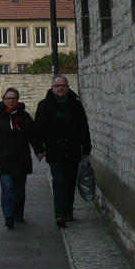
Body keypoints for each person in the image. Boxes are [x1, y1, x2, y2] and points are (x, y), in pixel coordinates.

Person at [33, 75, 92, 228]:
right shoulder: (44, 105)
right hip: (54, 151)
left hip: (73, 149)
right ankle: (60, 214)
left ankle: (68, 211)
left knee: (70, 182)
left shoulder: (75, 104)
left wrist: (86, 147)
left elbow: (83, 127)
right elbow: (37, 129)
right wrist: (39, 149)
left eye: (63, 86)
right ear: (52, 88)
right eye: (57, 86)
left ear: (67, 87)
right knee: (59, 182)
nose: (60, 88)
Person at [0, 87, 41, 230]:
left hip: (21, 159)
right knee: (8, 187)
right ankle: (8, 216)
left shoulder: (24, 117)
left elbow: (33, 136)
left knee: (20, 189)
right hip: (2, 160)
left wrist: (39, 150)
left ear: (17, 99)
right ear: (3, 100)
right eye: (8, 98)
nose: (11, 101)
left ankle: (18, 214)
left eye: (13, 98)